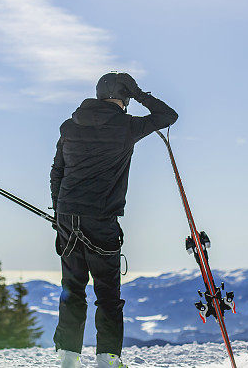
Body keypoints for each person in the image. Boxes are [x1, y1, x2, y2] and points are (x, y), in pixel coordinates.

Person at [51, 72, 178, 368]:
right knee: (107, 292)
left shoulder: (69, 126)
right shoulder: (126, 126)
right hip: (101, 219)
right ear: (124, 98)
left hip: (68, 216)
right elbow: (168, 115)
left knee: (73, 287)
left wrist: (59, 212)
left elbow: (57, 171)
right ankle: (107, 360)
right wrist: (141, 93)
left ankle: (68, 359)